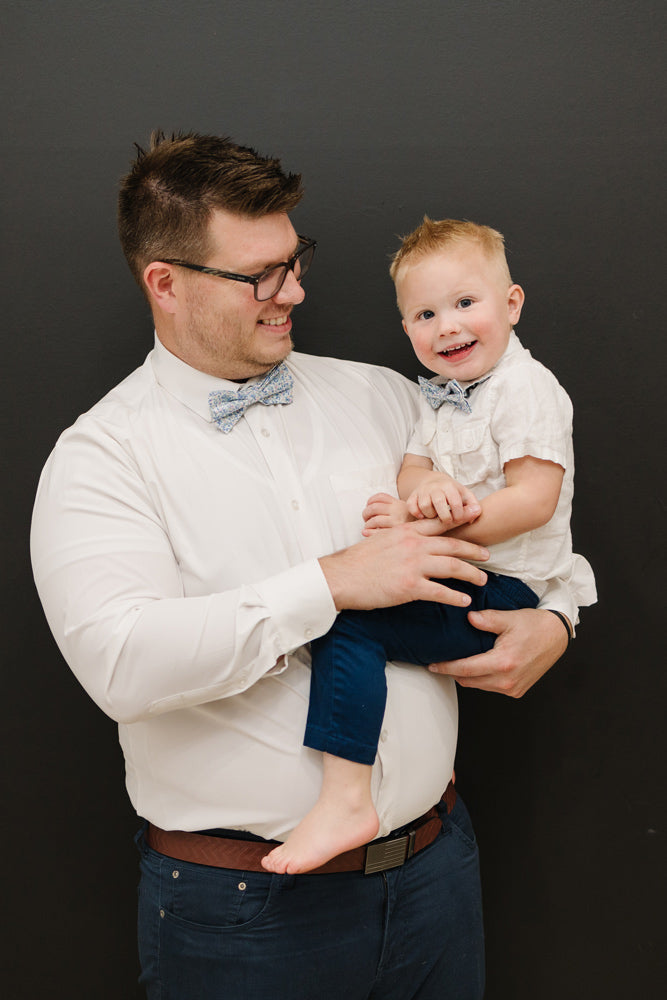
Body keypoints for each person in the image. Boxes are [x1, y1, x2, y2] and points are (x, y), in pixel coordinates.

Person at [31, 132, 591, 1000]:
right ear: (166, 283)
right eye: (260, 274)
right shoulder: (102, 456)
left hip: (437, 870)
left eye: (295, 261)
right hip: (244, 914)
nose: (294, 291)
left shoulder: (384, 395)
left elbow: (521, 513)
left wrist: (554, 620)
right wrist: (330, 583)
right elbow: (120, 666)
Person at [262, 218, 596, 876]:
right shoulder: (436, 401)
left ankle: (345, 798)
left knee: (349, 629)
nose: (446, 326)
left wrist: (430, 529)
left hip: (503, 586)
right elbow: (412, 471)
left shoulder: (522, 390)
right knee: (350, 620)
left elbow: (533, 500)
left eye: (464, 303)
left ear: (511, 303)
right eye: (424, 313)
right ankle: (349, 794)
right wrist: (426, 491)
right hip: (469, 567)